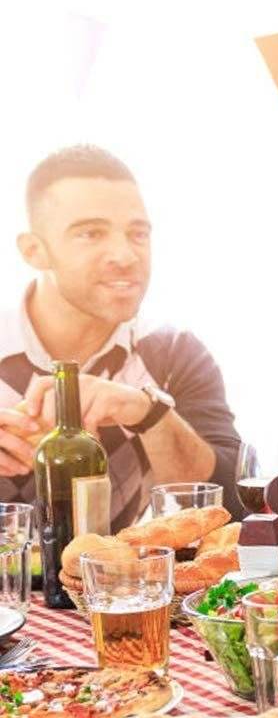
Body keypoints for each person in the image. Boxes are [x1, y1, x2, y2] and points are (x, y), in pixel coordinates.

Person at [0, 146, 243, 531]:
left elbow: (232, 507)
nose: (125, 254)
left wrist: (148, 413)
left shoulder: (174, 353)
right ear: (34, 251)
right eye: (91, 233)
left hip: (112, 588)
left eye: (137, 233)